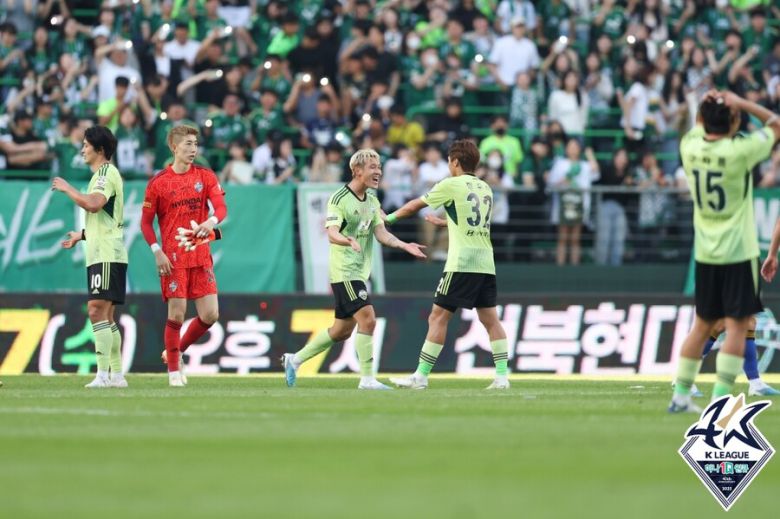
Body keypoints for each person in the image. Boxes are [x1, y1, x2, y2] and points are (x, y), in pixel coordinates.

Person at [668, 90, 780, 413]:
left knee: (702, 325)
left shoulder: (689, 146)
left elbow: (698, 123)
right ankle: (719, 400)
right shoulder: (740, 151)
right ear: (733, 122)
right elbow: (776, 124)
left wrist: (710, 104)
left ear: (703, 120)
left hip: (705, 253)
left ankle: (680, 396)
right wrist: (740, 101)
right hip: (738, 253)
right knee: (738, 326)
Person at [281, 149, 426, 389]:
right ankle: (367, 379)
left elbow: (381, 233)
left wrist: (404, 245)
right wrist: (347, 241)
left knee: (341, 331)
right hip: (344, 271)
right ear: (357, 171)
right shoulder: (339, 199)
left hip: (359, 272)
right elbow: (332, 233)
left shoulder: (372, 200)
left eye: (379, 167)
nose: (378, 171)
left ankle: (294, 360)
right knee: (368, 319)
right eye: (372, 167)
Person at [384, 140, 509, 390]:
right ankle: (502, 378)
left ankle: (420, 376)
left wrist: (389, 218)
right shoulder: (485, 187)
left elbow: (416, 205)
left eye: (450, 161)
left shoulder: (451, 184)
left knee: (438, 316)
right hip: (485, 262)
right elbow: (473, 221)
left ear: (455, 162)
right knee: (491, 320)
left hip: (461, 262)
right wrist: (445, 223)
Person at [141, 125, 228, 387]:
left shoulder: (205, 176)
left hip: (200, 256)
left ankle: (175, 351)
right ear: (174, 147)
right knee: (176, 315)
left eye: (195, 144)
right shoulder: (159, 183)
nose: (193, 149)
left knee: (210, 315)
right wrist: (157, 251)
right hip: (173, 259)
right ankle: (173, 372)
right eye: (188, 144)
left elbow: (221, 207)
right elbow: (145, 223)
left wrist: (211, 221)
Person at [52, 126, 128, 389]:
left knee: (96, 311)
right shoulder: (104, 175)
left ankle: (103, 375)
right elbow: (107, 219)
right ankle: (116, 376)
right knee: (106, 316)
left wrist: (67, 188)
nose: (82, 150)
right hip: (107, 252)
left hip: (105, 254)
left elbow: (94, 204)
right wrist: (82, 235)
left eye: (86, 145)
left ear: (100, 149)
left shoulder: (105, 174)